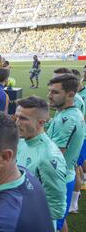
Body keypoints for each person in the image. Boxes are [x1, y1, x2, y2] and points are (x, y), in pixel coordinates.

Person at [15, 96, 67, 226]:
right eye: (16, 117)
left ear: (41, 122)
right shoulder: (22, 142)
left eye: (23, 118)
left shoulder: (49, 157)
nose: (17, 123)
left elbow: (56, 209)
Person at [46, 74, 85, 232]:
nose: (49, 96)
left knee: (51, 225)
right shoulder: (67, 113)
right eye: (50, 91)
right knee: (59, 222)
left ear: (70, 94)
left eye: (55, 92)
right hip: (64, 177)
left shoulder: (67, 120)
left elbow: (54, 157)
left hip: (57, 181)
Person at [68, 69, 86, 213]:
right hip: (78, 135)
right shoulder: (79, 95)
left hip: (79, 136)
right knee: (77, 166)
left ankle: (74, 204)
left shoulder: (79, 98)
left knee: (74, 168)